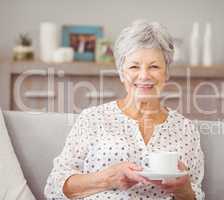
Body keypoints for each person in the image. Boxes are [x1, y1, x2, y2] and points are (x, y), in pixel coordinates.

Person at [44, 20, 205, 200]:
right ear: (121, 72)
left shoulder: (186, 130)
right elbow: (55, 186)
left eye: (154, 66)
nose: (144, 76)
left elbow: (196, 194)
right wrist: (107, 179)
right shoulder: (93, 119)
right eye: (134, 66)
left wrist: (184, 191)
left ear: (166, 73)